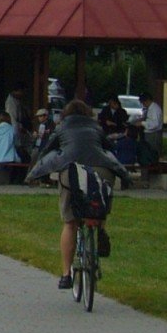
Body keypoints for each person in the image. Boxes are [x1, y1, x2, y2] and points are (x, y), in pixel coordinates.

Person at [27, 99, 133, 290]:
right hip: (102, 169)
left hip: (72, 171)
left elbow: (47, 150)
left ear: (66, 114)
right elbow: (109, 147)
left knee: (70, 222)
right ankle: (100, 228)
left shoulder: (61, 127)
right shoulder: (96, 128)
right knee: (100, 201)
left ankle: (66, 275)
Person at [140, 94, 164, 166]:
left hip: (153, 133)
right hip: (149, 133)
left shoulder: (154, 109)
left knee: (153, 150)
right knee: (150, 150)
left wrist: (142, 123)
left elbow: (155, 124)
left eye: (143, 103)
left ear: (147, 101)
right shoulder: (150, 109)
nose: (143, 105)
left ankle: (154, 165)